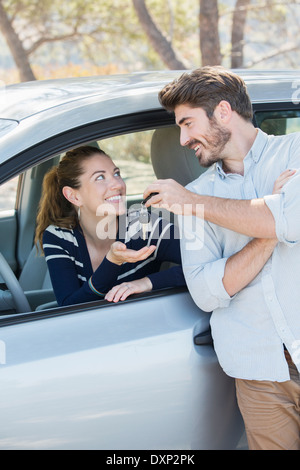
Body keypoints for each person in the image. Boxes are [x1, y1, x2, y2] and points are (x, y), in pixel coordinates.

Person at [143, 66, 300, 450]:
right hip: (259, 373)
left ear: (224, 112)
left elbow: (293, 223)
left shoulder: (295, 152)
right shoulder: (195, 194)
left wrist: (195, 205)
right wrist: (270, 226)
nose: (182, 139)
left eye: (187, 123)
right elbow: (208, 292)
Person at [34, 145, 185, 306]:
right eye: (100, 178)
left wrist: (146, 283)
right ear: (73, 196)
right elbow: (69, 307)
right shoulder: (59, 236)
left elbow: (204, 264)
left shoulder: (144, 225)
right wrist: (112, 262)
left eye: (117, 173)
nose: (118, 184)